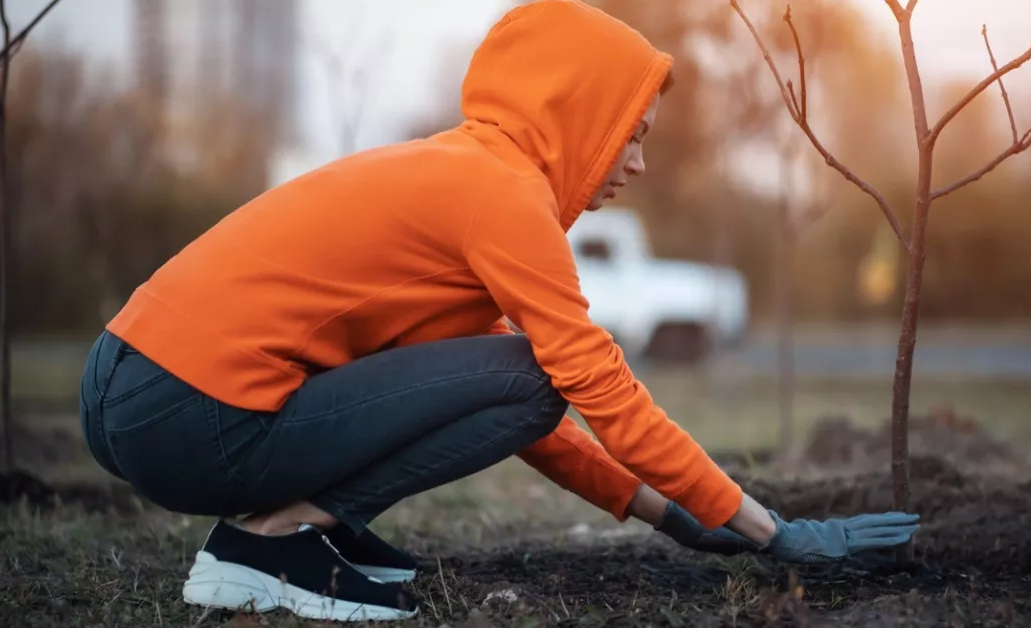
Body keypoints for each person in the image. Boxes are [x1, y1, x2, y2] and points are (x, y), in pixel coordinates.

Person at [77, 0, 919, 622]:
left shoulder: (464, 176)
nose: (639, 161)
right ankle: (273, 541)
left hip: (127, 387)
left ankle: (286, 537)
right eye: (632, 133)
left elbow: (515, 409)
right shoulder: (504, 198)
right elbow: (585, 386)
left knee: (526, 379)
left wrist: (672, 515)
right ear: (576, 113)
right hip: (189, 415)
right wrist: (772, 531)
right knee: (541, 375)